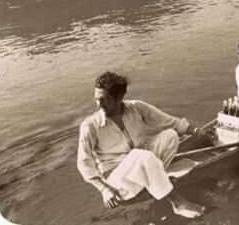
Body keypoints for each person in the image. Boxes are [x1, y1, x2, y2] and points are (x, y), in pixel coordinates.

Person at [77, 71, 205, 218]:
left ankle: (155, 180)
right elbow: (84, 164)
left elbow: (172, 122)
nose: (99, 105)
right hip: (118, 180)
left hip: (142, 163)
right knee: (143, 156)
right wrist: (104, 190)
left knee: (170, 136)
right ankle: (177, 203)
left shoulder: (137, 107)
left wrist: (197, 132)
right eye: (96, 99)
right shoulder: (89, 126)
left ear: (119, 97)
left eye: (104, 100)